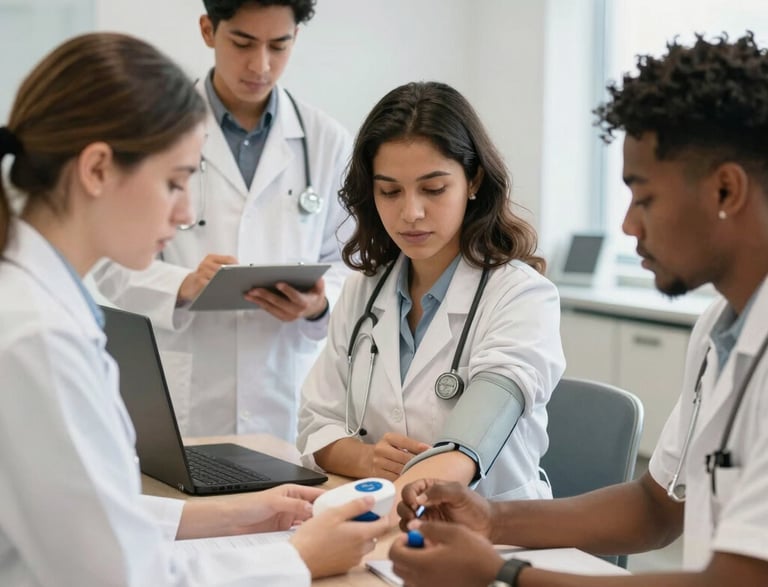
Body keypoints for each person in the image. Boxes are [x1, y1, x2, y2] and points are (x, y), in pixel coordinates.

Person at [0, 32, 389, 586]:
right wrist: (297, 560)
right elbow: (119, 575)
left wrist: (230, 514)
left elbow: (83, 511)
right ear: (97, 169)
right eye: (175, 182)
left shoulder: (35, 304)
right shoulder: (38, 337)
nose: (185, 213)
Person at [389, 32, 768, 586]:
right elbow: (658, 507)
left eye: (644, 198)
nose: (628, 225)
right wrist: (491, 519)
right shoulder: (721, 328)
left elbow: (739, 580)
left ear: (726, 191)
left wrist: (506, 571)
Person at [91, 0, 352, 442]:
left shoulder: (326, 141)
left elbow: (353, 265)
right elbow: (106, 259)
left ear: (295, 38)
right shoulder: (150, 130)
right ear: (208, 30)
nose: (261, 65)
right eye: (243, 43)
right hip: (185, 398)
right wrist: (182, 284)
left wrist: (319, 305)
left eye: (278, 46)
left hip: (286, 395)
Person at [296, 81, 565, 508]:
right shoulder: (363, 292)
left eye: (434, 189)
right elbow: (316, 425)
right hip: (388, 514)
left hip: (494, 528)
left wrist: (380, 512)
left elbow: (471, 441)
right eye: (389, 191)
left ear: (473, 180)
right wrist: (369, 460)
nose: (411, 213)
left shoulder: (521, 296)